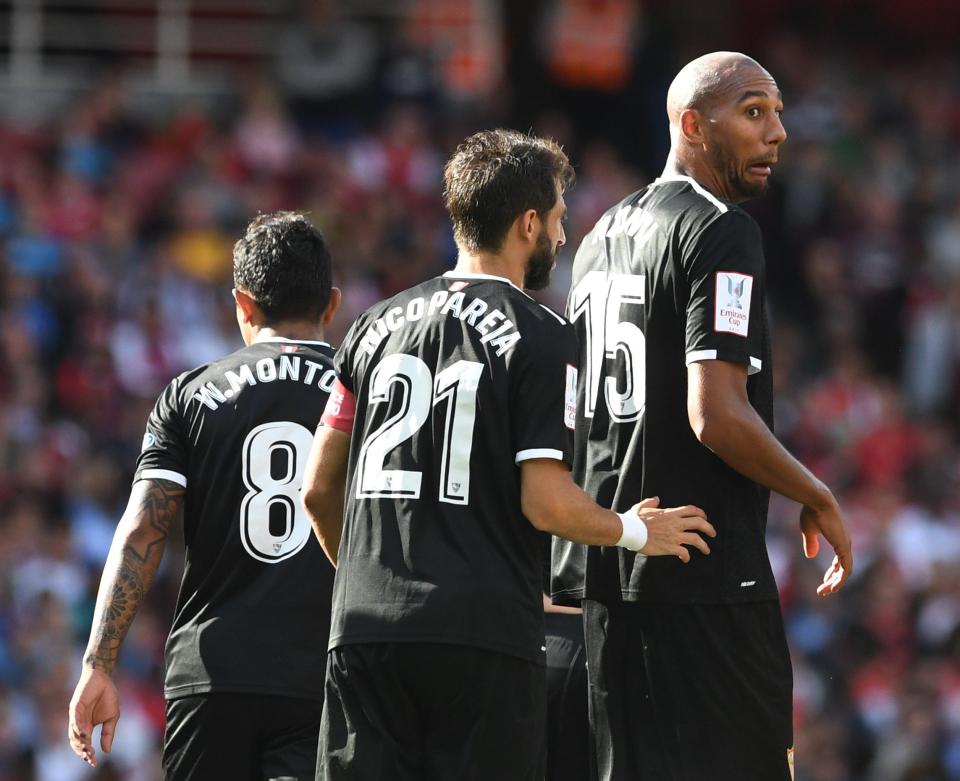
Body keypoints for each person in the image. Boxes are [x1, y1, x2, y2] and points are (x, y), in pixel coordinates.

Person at [301, 128, 716, 781]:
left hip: (364, 626)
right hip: (481, 638)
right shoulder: (545, 336)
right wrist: (637, 530)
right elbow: (545, 500)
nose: (559, 237)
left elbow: (318, 490)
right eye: (555, 219)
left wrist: (368, 581)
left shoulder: (371, 326)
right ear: (527, 223)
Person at [551, 52, 854, 781]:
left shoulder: (599, 237)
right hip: (702, 573)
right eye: (753, 112)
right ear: (691, 124)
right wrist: (816, 491)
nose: (776, 133)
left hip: (609, 574)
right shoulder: (720, 230)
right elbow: (714, 412)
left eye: (777, 113)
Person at [68, 212, 341, 780]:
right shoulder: (361, 393)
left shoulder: (189, 395)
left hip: (211, 677)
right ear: (332, 304)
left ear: (243, 304)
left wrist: (99, 663)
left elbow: (144, 529)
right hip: (320, 676)